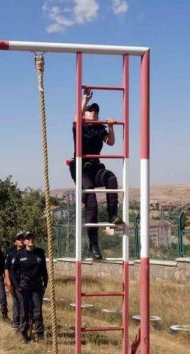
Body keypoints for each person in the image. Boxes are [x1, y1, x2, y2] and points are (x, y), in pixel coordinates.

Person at [69, 89, 122, 260]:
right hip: (81, 168)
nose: (94, 112)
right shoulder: (79, 126)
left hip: (96, 167)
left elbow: (111, 142)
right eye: (90, 110)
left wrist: (111, 127)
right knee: (91, 201)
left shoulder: (100, 128)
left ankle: (113, 215)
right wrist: (85, 99)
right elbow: (76, 117)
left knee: (111, 178)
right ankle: (94, 245)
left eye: (96, 111)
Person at [11, 232, 48, 342]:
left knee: (37, 310)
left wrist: (45, 284)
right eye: (28, 238)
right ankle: (24, 333)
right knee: (25, 310)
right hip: (24, 286)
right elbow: (13, 271)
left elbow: (44, 270)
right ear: (25, 241)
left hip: (37, 286)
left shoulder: (40, 253)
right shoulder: (19, 254)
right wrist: (17, 286)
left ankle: (39, 334)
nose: (30, 240)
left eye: (32, 237)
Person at [4, 231, 26, 329]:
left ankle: (22, 323)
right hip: (14, 281)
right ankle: (17, 323)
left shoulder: (27, 252)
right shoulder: (11, 253)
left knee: (22, 302)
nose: (21, 240)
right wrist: (8, 280)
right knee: (17, 301)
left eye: (22, 239)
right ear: (15, 242)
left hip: (25, 281)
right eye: (19, 239)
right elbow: (6, 268)